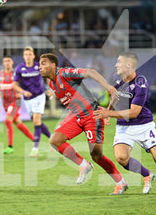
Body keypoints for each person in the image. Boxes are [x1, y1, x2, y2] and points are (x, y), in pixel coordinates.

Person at [94, 52, 156, 195]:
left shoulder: (141, 82)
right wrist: (108, 111)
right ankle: (147, 174)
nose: (116, 65)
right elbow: (115, 95)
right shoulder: (117, 79)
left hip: (144, 125)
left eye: (119, 62)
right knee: (121, 158)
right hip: (124, 126)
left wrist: (109, 114)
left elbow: (134, 112)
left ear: (129, 65)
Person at [39, 53, 128, 195]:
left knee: (97, 155)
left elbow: (91, 72)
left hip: (91, 114)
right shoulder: (51, 82)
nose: (40, 67)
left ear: (53, 65)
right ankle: (83, 165)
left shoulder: (65, 73)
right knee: (55, 140)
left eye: (43, 63)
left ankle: (120, 182)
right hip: (75, 115)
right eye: (39, 64)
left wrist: (108, 87)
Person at [13, 46, 52, 158]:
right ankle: (51, 137)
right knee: (36, 122)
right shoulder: (19, 68)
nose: (28, 57)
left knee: (36, 120)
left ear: (34, 56)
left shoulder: (38, 66)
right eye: (26, 55)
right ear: (23, 56)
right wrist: (23, 92)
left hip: (39, 96)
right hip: (27, 99)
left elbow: (48, 76)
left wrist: (50, 88)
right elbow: (14, 85)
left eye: (30, 54)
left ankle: (35, 149)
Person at [0, 56, 35, 154]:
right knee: (18, 123)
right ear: (3, 63)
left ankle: (10, 146)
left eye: (9, 61)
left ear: (12, 62)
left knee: (8, 121)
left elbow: (25, 85)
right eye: (5, 61)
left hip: (15, 102)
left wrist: (21, 93)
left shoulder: (17, 73)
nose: (7, 63)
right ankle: (36, 142)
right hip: (5, 103)